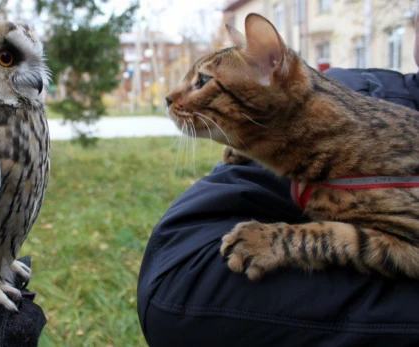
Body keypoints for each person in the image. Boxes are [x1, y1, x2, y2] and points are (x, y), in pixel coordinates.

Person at [137, 13, 419, 347]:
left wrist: (285, 242)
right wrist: (252, 144)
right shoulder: (320, 142)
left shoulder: (363, 156)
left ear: (271, 65)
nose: (173, 97)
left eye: (201, 83)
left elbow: (408, 248)